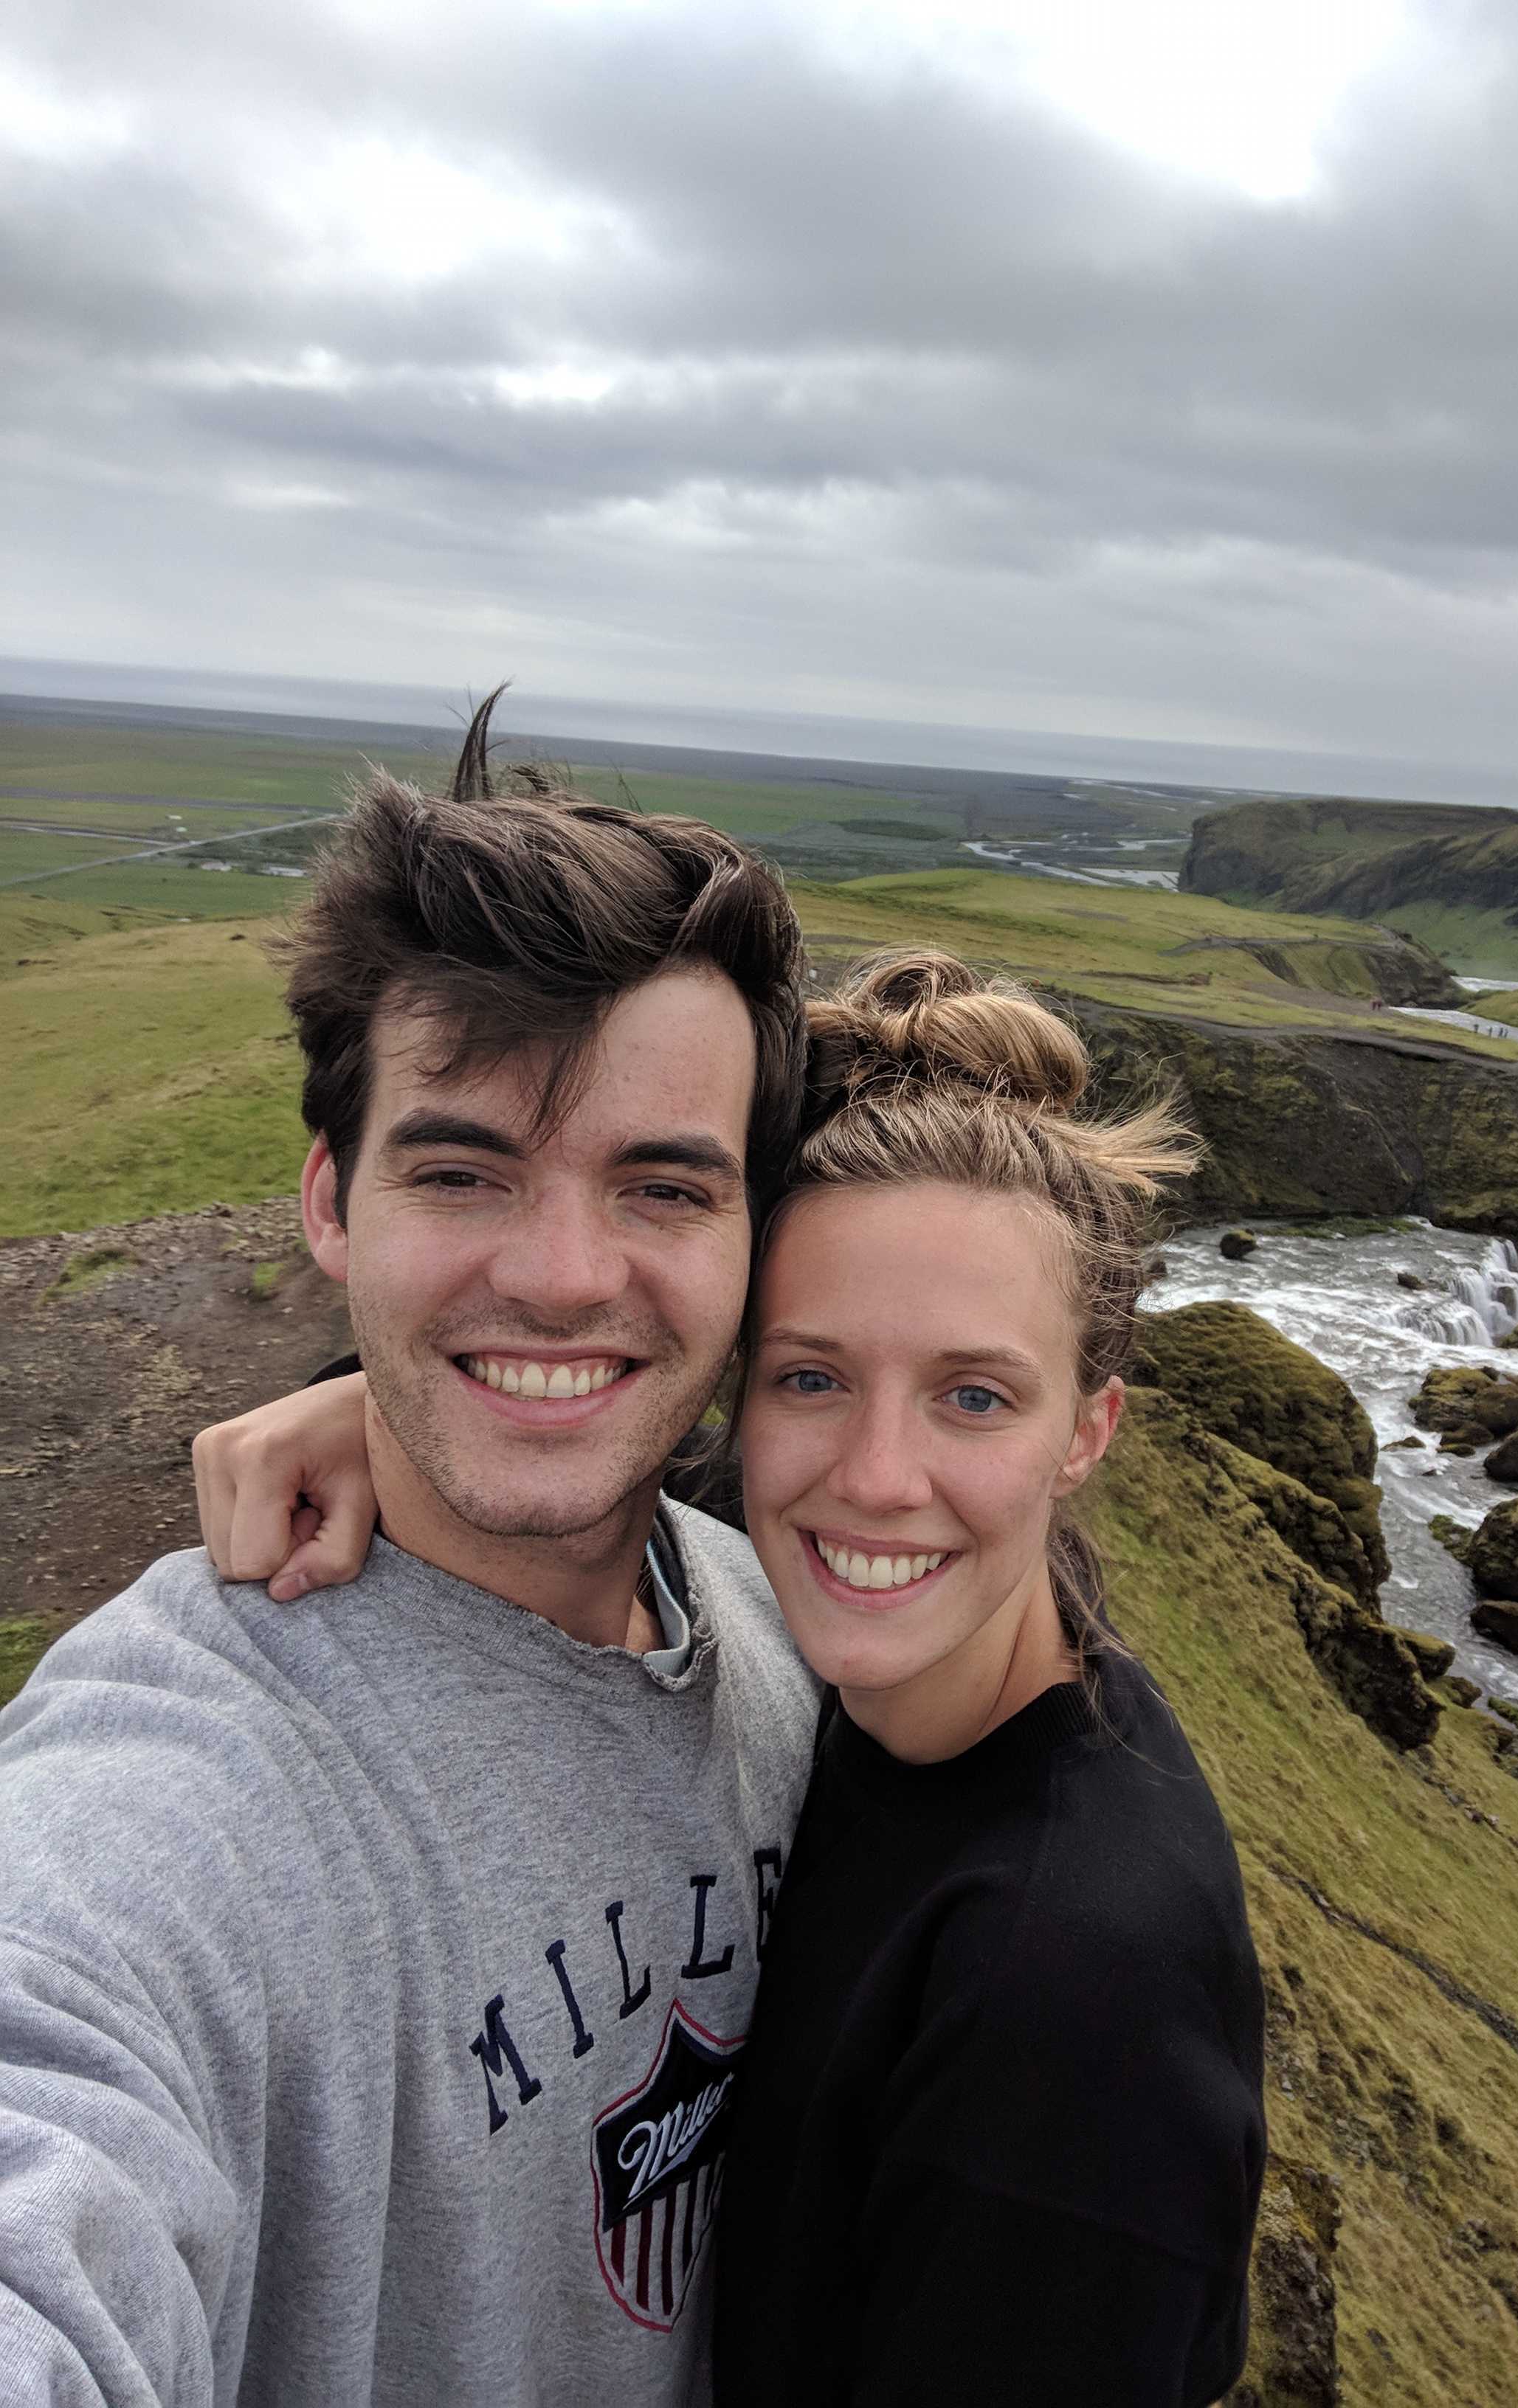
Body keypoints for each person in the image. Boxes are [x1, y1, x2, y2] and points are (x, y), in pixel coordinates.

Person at [193, 950, 1269, 2402]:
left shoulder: (1075, 2008)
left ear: (1088, 1429)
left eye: (974, 1396)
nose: (875, 1479)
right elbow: (593, 1435)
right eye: (811, 1377)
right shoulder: (891, 1638)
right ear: (741, 1389)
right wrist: (372, 1411)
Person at [0, 699, 821, 2406]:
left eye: (665, 1189)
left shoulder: (783, 1624)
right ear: (328, 1203)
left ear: (757, 1237)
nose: (564, 1277)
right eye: (462, 1173)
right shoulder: (180, 1796)